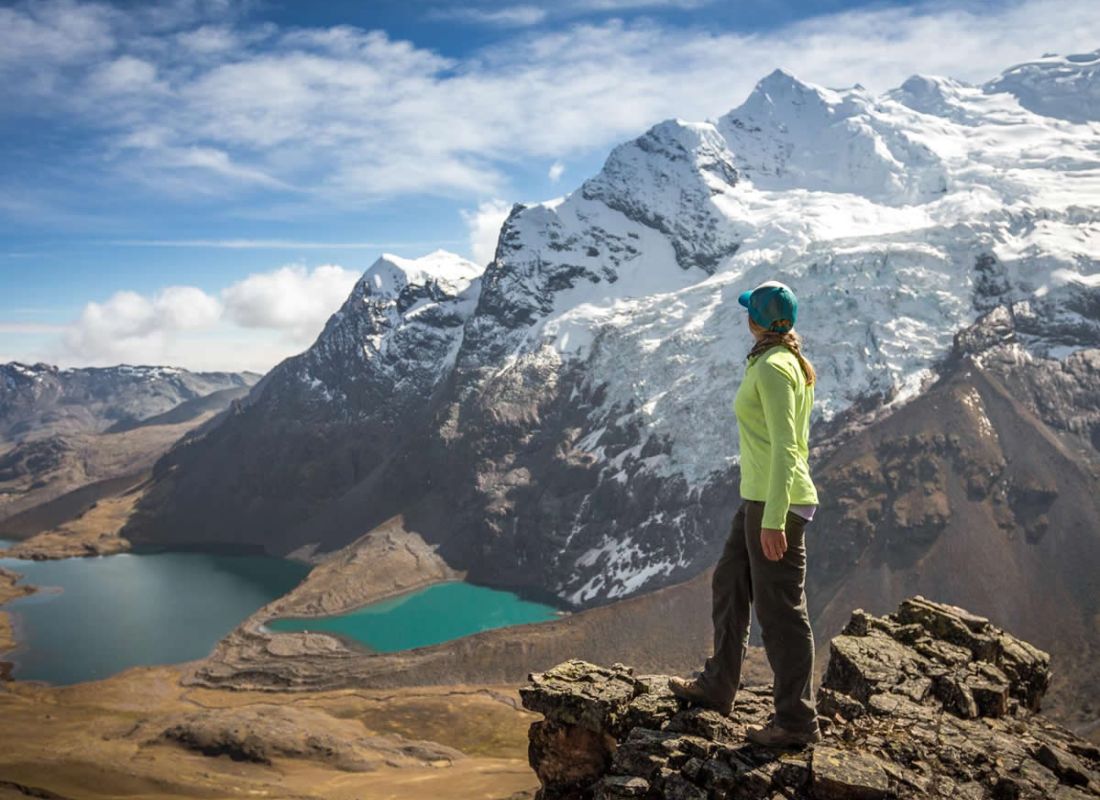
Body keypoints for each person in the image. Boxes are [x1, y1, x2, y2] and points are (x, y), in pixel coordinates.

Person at [668, 279, 822, 748]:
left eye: (747, 312)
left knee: (781, 613)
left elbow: (788, 448)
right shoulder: (778, 361)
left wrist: (775, 517)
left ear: (756, 320)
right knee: (730, 581)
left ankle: (796, 722)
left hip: (776, 503)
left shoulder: (776, 367)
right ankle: (719, 684)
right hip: (759, 498)